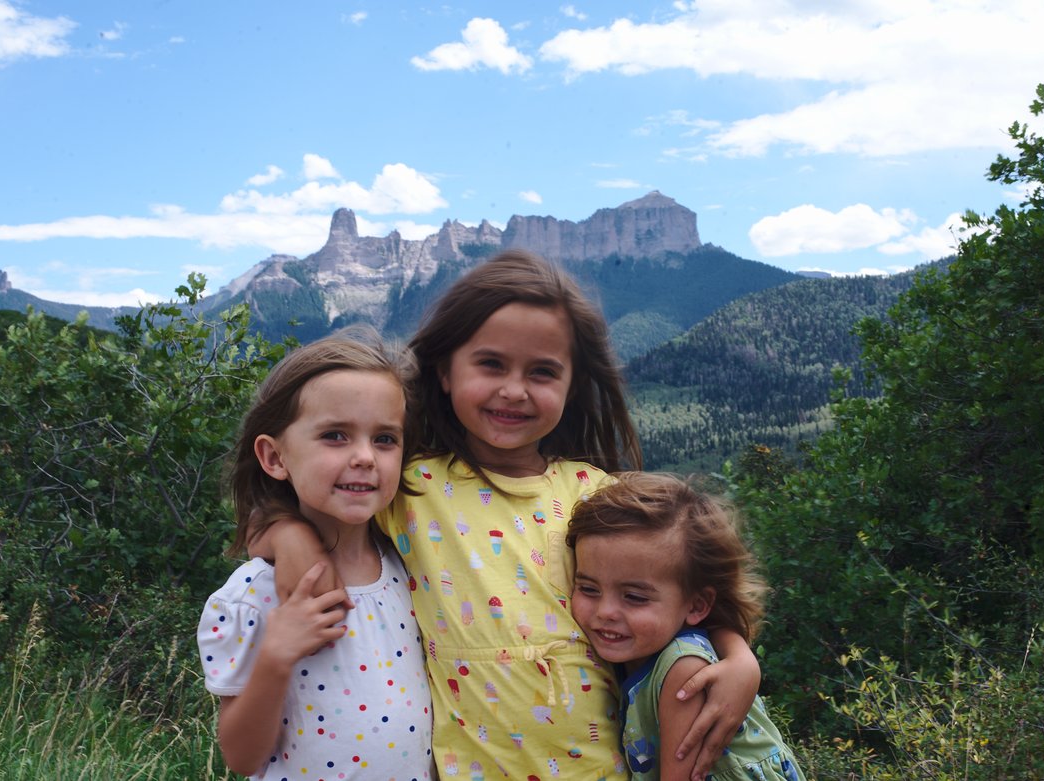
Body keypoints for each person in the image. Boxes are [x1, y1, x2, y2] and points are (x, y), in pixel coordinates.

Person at [253, 250, 760, 780]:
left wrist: (739, 657)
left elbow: (685, 596)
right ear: (445, 370)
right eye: (491, 364)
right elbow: (288, 503)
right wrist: (294, 539)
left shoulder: (598, 496)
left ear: (571, 385)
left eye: (542, 373)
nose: (514, 390)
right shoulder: (409, 487)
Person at [196, 334, 434, 780]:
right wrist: (275, 655)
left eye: (385, 439)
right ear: (274, 457)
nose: (365, 457)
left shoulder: (409, 563)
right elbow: (241, 758)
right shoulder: (252, 597)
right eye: (335, 436)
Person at [567, 471, 805, 781]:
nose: (605, 612)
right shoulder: (641, 650)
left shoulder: (685, 670)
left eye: (635, 597)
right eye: (588, 588)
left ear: (696, 605)